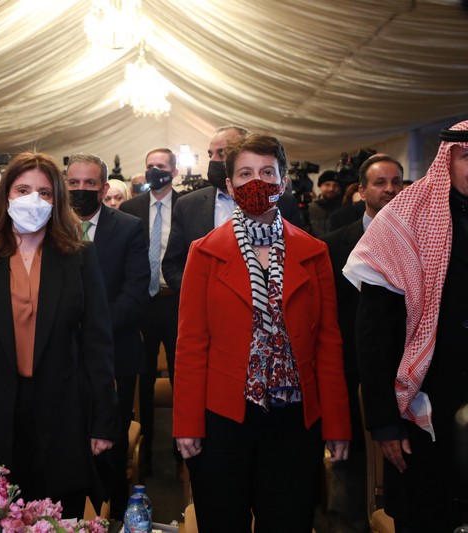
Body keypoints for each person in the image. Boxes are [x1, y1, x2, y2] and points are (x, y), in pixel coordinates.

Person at [173, 133, 351, 532]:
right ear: (230, 184)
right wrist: (187, 423)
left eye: (267, 172)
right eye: (246, 173)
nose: (257, 182)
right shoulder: (204, 252)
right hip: (223, 419)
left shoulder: (314, 252)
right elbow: (191, 344)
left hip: (294, 421)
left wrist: (337, 424)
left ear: (283, 182)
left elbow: (328, 342)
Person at [0, 151, 118, 519]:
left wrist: (103, 422)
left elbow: (97, 344)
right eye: (23, 190)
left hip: (64, 413)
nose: (33, 200)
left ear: (57, 201)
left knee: (59, 519)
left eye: (44, 192)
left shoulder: (79, 257)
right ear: (5, 195)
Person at [344, 120, 468, 532]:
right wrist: (384, 422)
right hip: (423, 410)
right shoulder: (404, 220)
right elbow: (374, 336)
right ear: (446, 162)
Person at [321, 154, 403, 533]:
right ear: (362, 190)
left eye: (396, 182)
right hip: (347, 362)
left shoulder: (417, 239)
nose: (389, 189)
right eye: (380, 182)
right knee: (351, 455)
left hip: (401, 366)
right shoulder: (334, 244)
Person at [65, 153, 149, 519]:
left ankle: (112, 517)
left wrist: (92, 329)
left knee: (109, 444)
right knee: (66, 439)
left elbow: (135, 292)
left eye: (89, 183)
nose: (81, 189)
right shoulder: (50, 226)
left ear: (103, 187)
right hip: (61, 355)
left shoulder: (129, 227)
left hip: (115, 353)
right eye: (74, 183)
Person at [162, 125, 302, 293]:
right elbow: (173, 265)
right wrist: (203, 294)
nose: (213, 160)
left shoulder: (284, 202)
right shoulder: (187, 205)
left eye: (221, 153)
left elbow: (298, 257)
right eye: (210, 154)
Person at [120, 148, 179, 472]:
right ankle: (145, 454)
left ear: (174, 171)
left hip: (175, 300)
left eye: (161, 166)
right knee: (140, 376)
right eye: (150, 166)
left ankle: (181, 452)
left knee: (181, 375)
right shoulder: (131, 208)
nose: (155, 171)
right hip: (140, 302)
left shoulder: (186, 206)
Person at [307, 170, 342, 236]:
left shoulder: (343, 207)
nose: (331, 189)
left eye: (335, 185)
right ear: (320, 186)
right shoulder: (309, 208)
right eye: (327, 185)